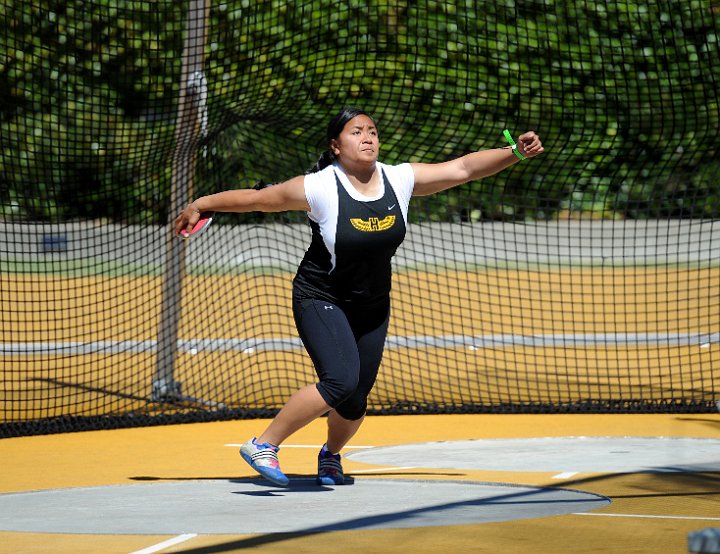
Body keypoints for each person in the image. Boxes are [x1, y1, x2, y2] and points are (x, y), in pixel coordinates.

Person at [174, 107, 544, 486]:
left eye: (372, 131)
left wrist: (515, 152)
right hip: (320, 296)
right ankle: (263, 444)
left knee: (354, 400)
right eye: (356, 132)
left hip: (372, 305)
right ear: (336, 145)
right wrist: (201, 203)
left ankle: (330, 456)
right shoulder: (319, 186)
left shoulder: (398, 179)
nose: (367, 137)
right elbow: (258, 199)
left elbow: (463, 168)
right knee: (339, 382)